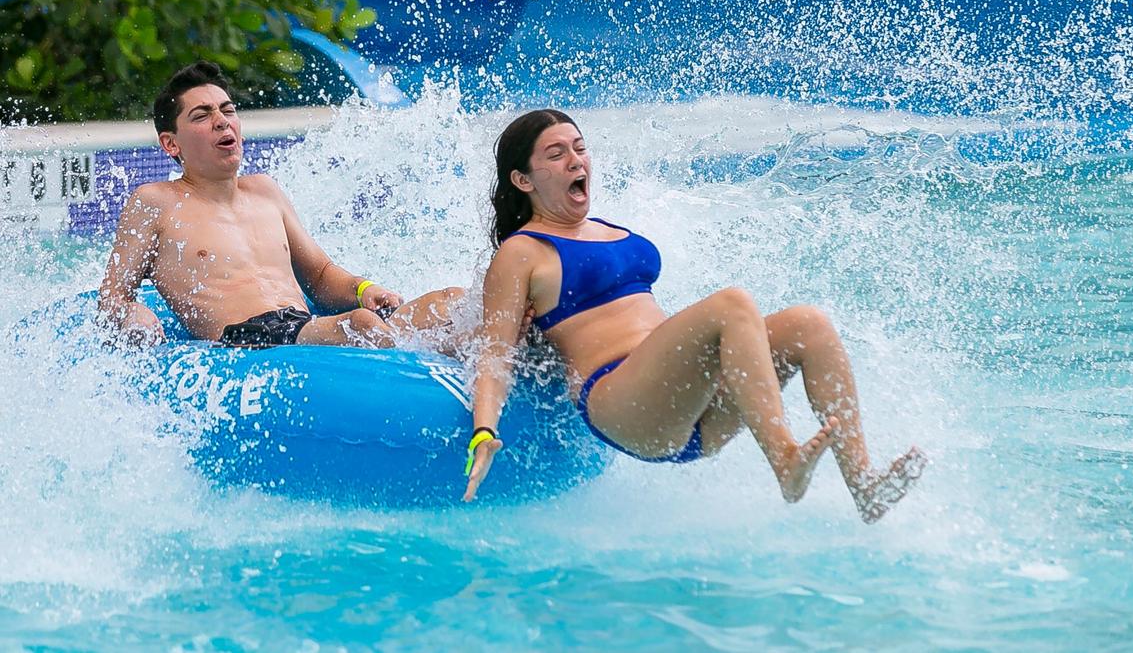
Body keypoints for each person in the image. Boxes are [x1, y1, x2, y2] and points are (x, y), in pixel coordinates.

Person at [463, 109, 927, 523]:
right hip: (623, 402)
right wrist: (484, 429)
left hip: (691, 410)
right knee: (732, 304)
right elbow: (494, 354)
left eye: (580, 149)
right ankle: (785, 459)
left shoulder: (608, 229)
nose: (575, 161)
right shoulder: (522, 252)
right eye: (556, 154)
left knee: (809, 323)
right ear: (523, 180)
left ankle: (864, 484)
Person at [97, 60, 463, 353]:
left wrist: (362, 288)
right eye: (202, 115)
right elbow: (112, 297)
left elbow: (319, 277)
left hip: (303, 330)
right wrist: (131, 311)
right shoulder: (155, 202)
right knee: (363, 326)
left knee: (450, 302)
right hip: (249, 340)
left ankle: (490, 363)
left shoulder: (265, 191)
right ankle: (443, 359)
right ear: (170, 144)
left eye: (227, 110)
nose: (222, 121)